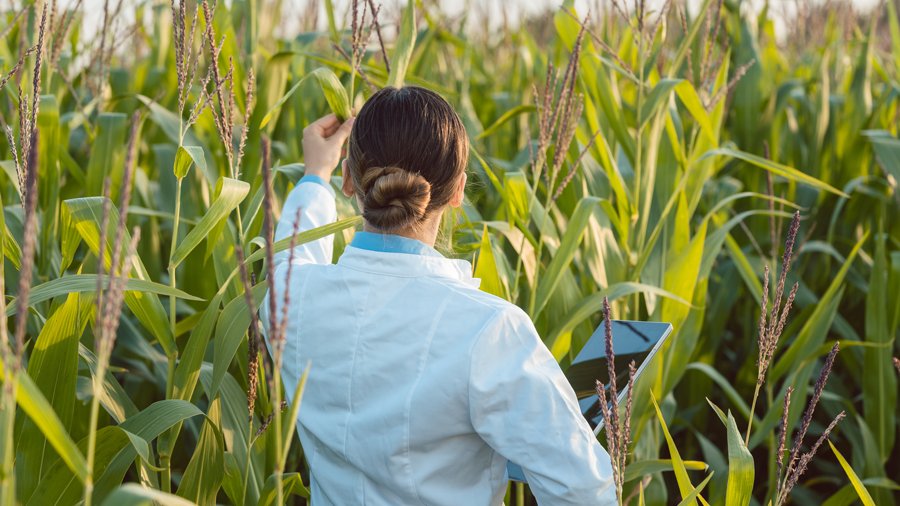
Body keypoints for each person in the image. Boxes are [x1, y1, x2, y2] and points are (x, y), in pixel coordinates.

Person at [262, 86, 616, 505]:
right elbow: (583, 491)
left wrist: (313, 177)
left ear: (350, 182)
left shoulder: (290, 303)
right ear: (457, 191)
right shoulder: (489, 331)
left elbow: (288, 259)